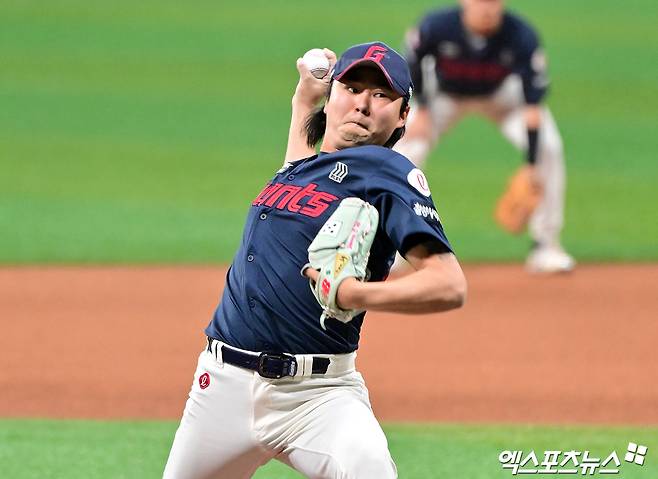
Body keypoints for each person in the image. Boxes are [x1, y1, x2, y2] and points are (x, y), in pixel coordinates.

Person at [163, 41, 466, 479]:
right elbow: (302, 139)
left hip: (319, 397)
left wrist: (356, 294)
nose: (362, 103)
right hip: (220, 388)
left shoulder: (388, 173)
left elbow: (449, 284)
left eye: (381, 95)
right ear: (332, 95)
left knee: (370, 469)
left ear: (403, 116)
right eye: (352, 88)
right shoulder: (302, 168)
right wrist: (305, 95)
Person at [394, 0, 575, 273]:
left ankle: (546, 245)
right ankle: (393, 247)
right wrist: (423, 108)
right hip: (445, 96)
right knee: (406, 147)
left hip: (501, 96)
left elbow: (533, 107)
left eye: (493, 1)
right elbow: (412, 60)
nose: (487, 8)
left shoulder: (521, 34)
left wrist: (531, 164)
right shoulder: (436, 25)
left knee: (548, 148)